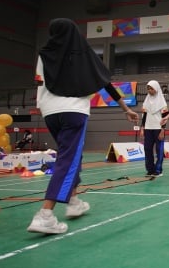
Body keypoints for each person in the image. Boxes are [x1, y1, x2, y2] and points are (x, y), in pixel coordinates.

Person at [28, 18, 139, 234]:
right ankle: (45, 215)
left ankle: (74, 201)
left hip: (49, 112)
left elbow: (40, 83)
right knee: (67, 160)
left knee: (72, 157)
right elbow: (106, 83)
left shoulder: (44, 53)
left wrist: (41, 107)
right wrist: (126, 109)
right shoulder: (83, 53)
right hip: (74, 111)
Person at [140, 80, 169, 177]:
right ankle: (150, 169)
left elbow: (165, 118)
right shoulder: (146, 101)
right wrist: (142, 128)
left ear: (156, 89)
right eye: (148, 88)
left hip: (158, 129)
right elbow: (144, 117)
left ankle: (158, 170)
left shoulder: (162, 102)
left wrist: (162, 130)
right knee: (147, 149)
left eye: (151, 88)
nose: (149, 90)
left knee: (159, 150)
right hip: (148, 129)